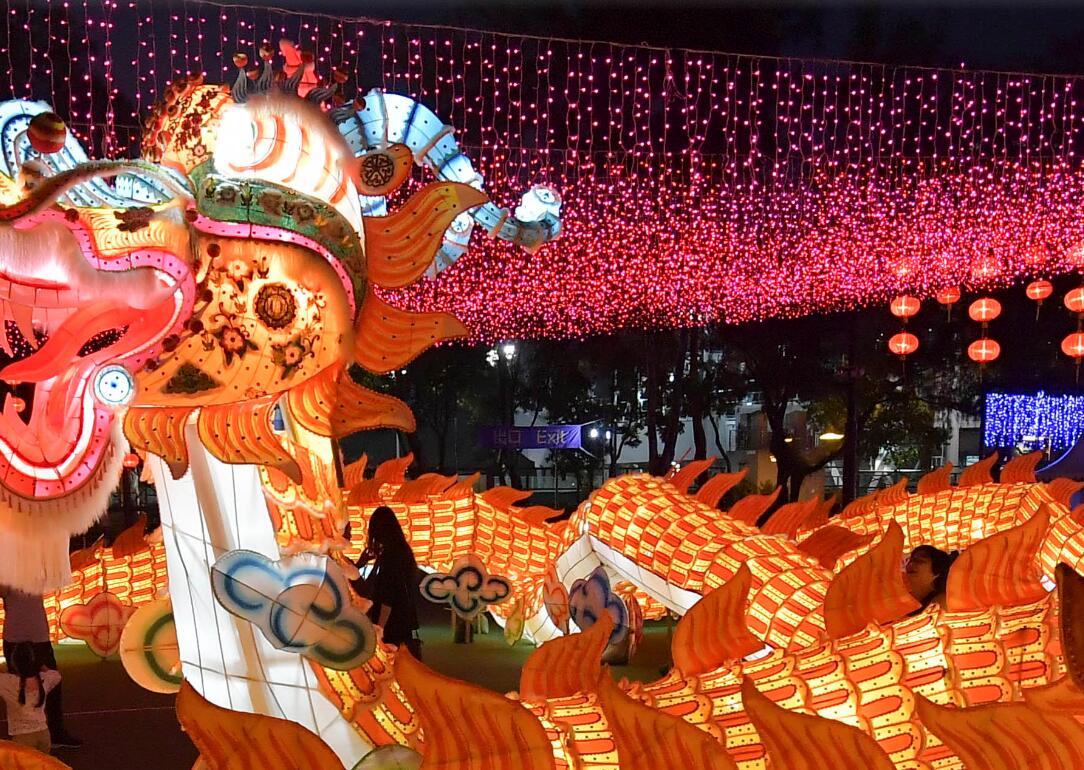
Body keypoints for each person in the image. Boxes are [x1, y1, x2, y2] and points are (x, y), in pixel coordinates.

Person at [0, 587, 80, 749]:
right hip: (15, 636)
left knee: (51, 685)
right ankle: (24, 733)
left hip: (39, 635)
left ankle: (55, 733)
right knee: (18, 688)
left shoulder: (37, 573)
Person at [351, 507, 422, 658]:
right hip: (402, 619)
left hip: (392, 623)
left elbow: (387, 596)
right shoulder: (400, 551)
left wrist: (380, 627)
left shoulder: (391, 556)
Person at [0, 642, 60, 754]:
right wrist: (41, 665)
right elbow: (56, 675)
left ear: (14, 663)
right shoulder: (44, 679)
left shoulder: (8, 682)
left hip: (21, 737)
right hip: (43, 734)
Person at [904, 545, 958, 611]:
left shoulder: (941, 602)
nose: (911, 564)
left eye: (920, 561)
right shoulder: (904, 599)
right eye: (910, 560)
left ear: (936, 573)